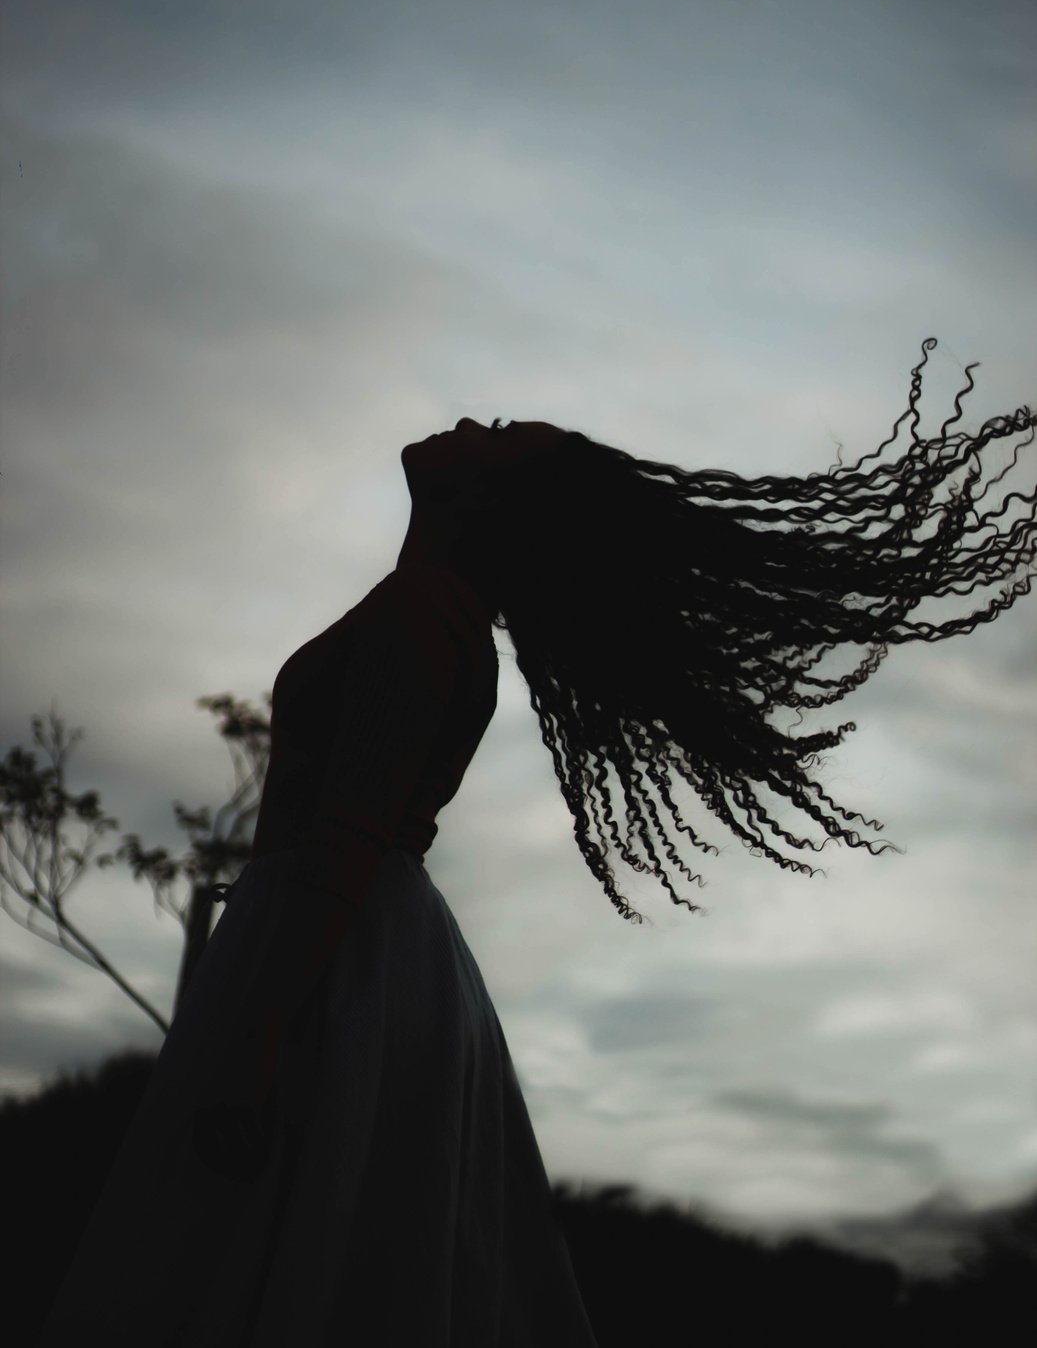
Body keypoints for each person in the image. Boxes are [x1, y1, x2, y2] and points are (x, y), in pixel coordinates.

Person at [37, 337, 1036, 1343]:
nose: (473, 423)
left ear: (485, 507)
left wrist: (254, 1034)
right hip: (357, 948)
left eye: (496, 441)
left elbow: (346, 836)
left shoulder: (423, 613)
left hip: (331, 949)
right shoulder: (441, 617)